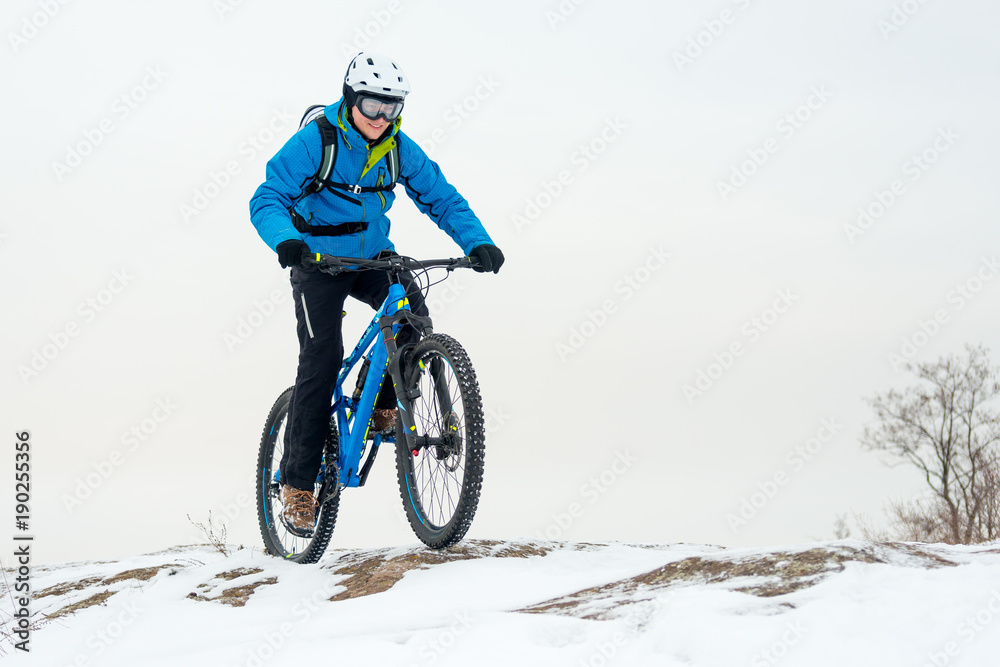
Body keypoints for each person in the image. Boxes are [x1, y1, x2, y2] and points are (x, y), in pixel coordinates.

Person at [249, 52, 503, 532]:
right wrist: (287, 242)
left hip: (371, 257)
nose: (381, 118)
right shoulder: (316, 141)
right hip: (317, 262)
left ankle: (383, 403)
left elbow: (441, 197)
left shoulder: (399, 148)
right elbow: (268, 197)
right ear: (350, 98)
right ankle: (298, 487)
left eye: (392, 108)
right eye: (372, 105)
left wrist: (478, 242)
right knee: (322, 359)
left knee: (411, 313)